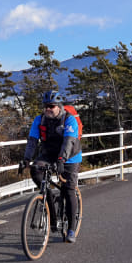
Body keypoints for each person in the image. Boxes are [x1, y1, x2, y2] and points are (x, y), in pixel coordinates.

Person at [22, 90, 82, 242]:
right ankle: (52, 215)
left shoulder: (69, 120)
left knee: (68, 190)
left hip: (70, 157)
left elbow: (69, 142)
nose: (48, 109)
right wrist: (26, 159)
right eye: (46, 106)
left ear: (59, 106)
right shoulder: (40, 119)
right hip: (48, 154)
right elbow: (32, 140)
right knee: (36, 171)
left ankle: (71, 229)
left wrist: (62, 160)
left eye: (51, 106)